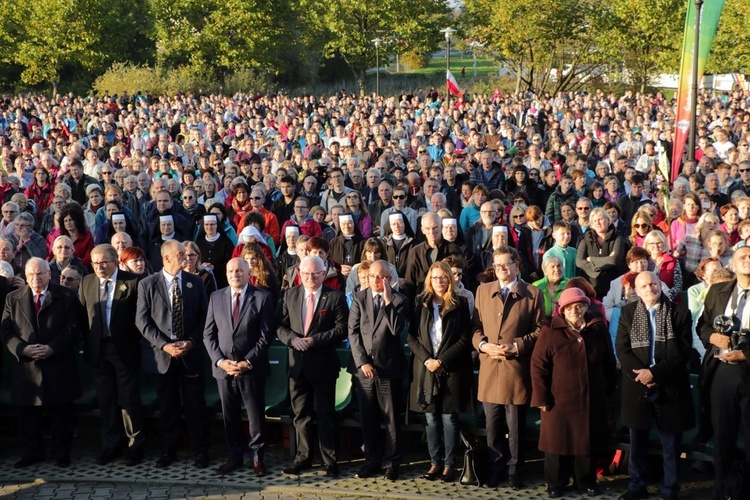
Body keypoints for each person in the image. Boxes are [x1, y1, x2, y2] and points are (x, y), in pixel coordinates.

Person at [531, 287, 617, 497]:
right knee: (557, 443)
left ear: (587, 307)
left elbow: (609, 361)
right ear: (562, 310)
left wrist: (607, 390)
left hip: (592, 397)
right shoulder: (550, 331)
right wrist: (542, 396)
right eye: (570, 307)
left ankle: (585, 481)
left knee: (587, 441)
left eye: (579, 306)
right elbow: (538, 366)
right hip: (558, 399)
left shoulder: (597, 329)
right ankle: (555, 484)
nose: (575, 310)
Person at [615, 271, 694, 500]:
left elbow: (683, 353)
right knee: (637, 440)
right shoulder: (627, 313)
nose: (649, 288)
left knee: (670, 443)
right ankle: (637, 485)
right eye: (644, 286)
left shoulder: (680, 313)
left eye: (653, 284)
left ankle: (670, 488)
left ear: (660, 285)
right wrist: (642, 376)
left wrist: (655, 374)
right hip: (637, 385)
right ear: (636, 291)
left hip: (669, 386)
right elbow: (622, 348)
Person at [472, 246, 544, 489]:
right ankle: (496, 468)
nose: (501, 269)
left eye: (506, 264)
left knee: (515, 427)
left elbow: (540, 330)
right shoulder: (482, 291)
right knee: (492, 426)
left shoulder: (533, 293)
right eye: (497, 265)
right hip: (490, 367)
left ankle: (515, 471)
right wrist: (483, 346)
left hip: (516, 369)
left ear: (516, 265)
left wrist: (517, 346)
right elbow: (474, 328)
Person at [135, 240, 210, 469]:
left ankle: (200, 451)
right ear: (166, 258)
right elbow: (142, 320)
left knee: (195, 405)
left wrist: (192, 341)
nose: (186, 258)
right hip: (162, 357)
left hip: (190, 355)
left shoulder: (195, 282)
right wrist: (163, 345)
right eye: (180, 254)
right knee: (167, 405)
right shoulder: (148, 284)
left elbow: (204, 317)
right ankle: (169, 450)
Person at [1, 257, 82, 468]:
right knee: (27, 414)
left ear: (49, 274)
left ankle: (61, 453)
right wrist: (22, 349)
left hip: (58, 361)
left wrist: (52, 348)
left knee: (61, 412)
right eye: (30, 275)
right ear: (25, 276)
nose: (35, 278)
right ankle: (32, 452)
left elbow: (73, 327)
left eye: (39, 274)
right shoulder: (13, 298)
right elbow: (6, 331)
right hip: (27, 366)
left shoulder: (66, 296)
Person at [277, 255, 348, 478]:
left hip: (323, 365)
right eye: (306, 273)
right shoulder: (290, 294)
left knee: (326, 414)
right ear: (299, 273)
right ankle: (303, 458)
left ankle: (330, 461)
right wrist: (292, 340)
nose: (310, 278)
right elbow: (279, 325)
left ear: (324, 272)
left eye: (315, 274)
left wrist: (314, 340)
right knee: (301, 415)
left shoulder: (335, 297)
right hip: (296, 366)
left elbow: (341, 329)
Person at [203, 258, 274, 476]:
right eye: (231, 271)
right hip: (224, 369)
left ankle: (256, 459)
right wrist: (220, 361)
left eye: (240, 271)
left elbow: (265, 336)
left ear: (249, 272)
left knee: (255, 417)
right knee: (230, 416)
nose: (235, 275)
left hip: (251, 368)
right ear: (226, 274)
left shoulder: (262, 297)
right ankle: (234, 457)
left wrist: (247, 362)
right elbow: (208, 334)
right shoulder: (216, 297)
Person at [408, 261, 473, 483]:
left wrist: (442, 360)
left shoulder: (461, 303)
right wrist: (427, 359)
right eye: (435, 278)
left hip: (450, 369)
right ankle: (434, 462)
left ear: (451, 280)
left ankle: (449, 464)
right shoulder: (420, 303)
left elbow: (465, 338)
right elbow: (411, 336)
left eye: (443, 277)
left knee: (449, 419)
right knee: (430, 419)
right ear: (429, 280)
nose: (439, 281)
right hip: (426, 369)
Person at [79, 244, 144, 466]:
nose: (98, 267)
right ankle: (110, 446)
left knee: (129, 399)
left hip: (124, 350)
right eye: (94, 263)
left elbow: (140, 319)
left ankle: (134, 446)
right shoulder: (87, 282)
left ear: (115, 261)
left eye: (103, 262)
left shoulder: (132, 281)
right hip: (98, 350)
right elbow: (82, 316)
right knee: (106, 400)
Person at [347, 260, 409, 480]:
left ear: (388, 279)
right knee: (368, 418)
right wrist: (362, 362)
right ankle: (372, 461)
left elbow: (395, 329)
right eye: (372, 276)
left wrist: (389, 301)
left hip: (388, 370)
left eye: (380, 276)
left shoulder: (400, 301)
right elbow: (353, 332)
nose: (375, 280)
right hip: (365, 371)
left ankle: (393, 463)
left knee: (391, 419)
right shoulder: (359, 298)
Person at [697, 245, 750, 492]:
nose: (747, 260)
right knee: (723, 438)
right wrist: (712, 338)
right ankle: (722, 492)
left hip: (748, 369)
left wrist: (746, 354)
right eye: (742, 256)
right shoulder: (718, 291)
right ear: (733, 264)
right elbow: (702, 324)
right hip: (722, 372)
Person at [576, 208, 627, 299]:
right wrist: (595, 271)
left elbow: (613, 260)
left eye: (600, 219)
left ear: (608, 220)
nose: (598, 223)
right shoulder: (585, 239)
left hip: (612, 287)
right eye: (595, 221)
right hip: (590, 287)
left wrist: (591, 260)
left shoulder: (617, 238)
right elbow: (579, 261)